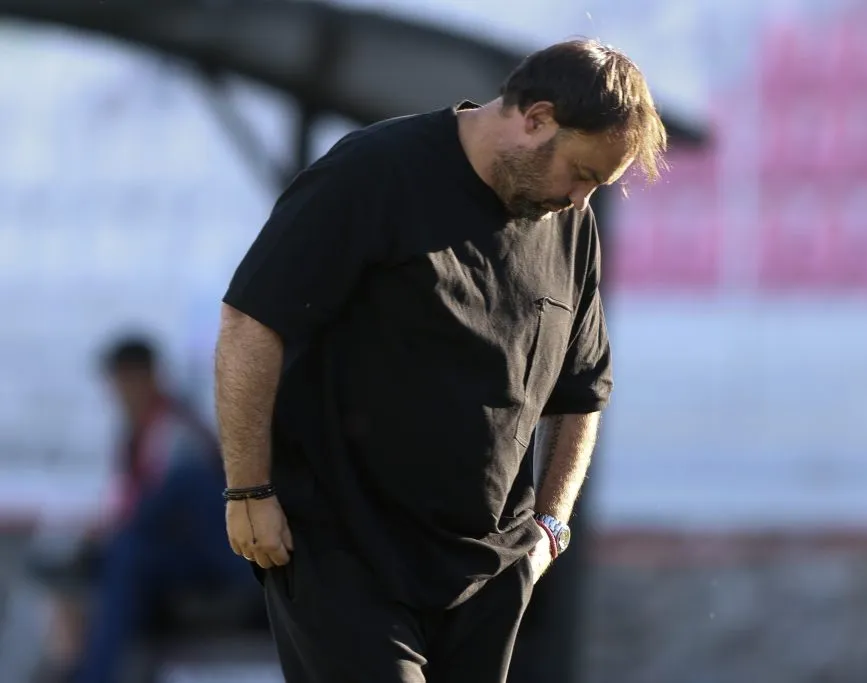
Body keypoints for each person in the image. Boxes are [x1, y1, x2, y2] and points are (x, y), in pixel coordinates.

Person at [215, 38, 667, 683]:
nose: (579, 200)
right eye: (583, 173)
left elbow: (581, 393)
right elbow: (252, 321)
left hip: (489, 574)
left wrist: (551, 530)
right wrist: (248, 491)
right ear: (535, 117)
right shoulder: (375, 171)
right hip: (346, 557)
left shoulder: (572, 230)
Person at [37, 336, 252, 683]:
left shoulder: (178, 434)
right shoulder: (135, 435)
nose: (121, 392)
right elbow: (129, 505)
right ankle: (81, 668)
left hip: (207, 556)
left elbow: (167, 513)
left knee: (123, 556)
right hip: (160, 550)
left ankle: (92, 675)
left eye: (126, 380)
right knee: (89, 570)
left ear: (148, 377)